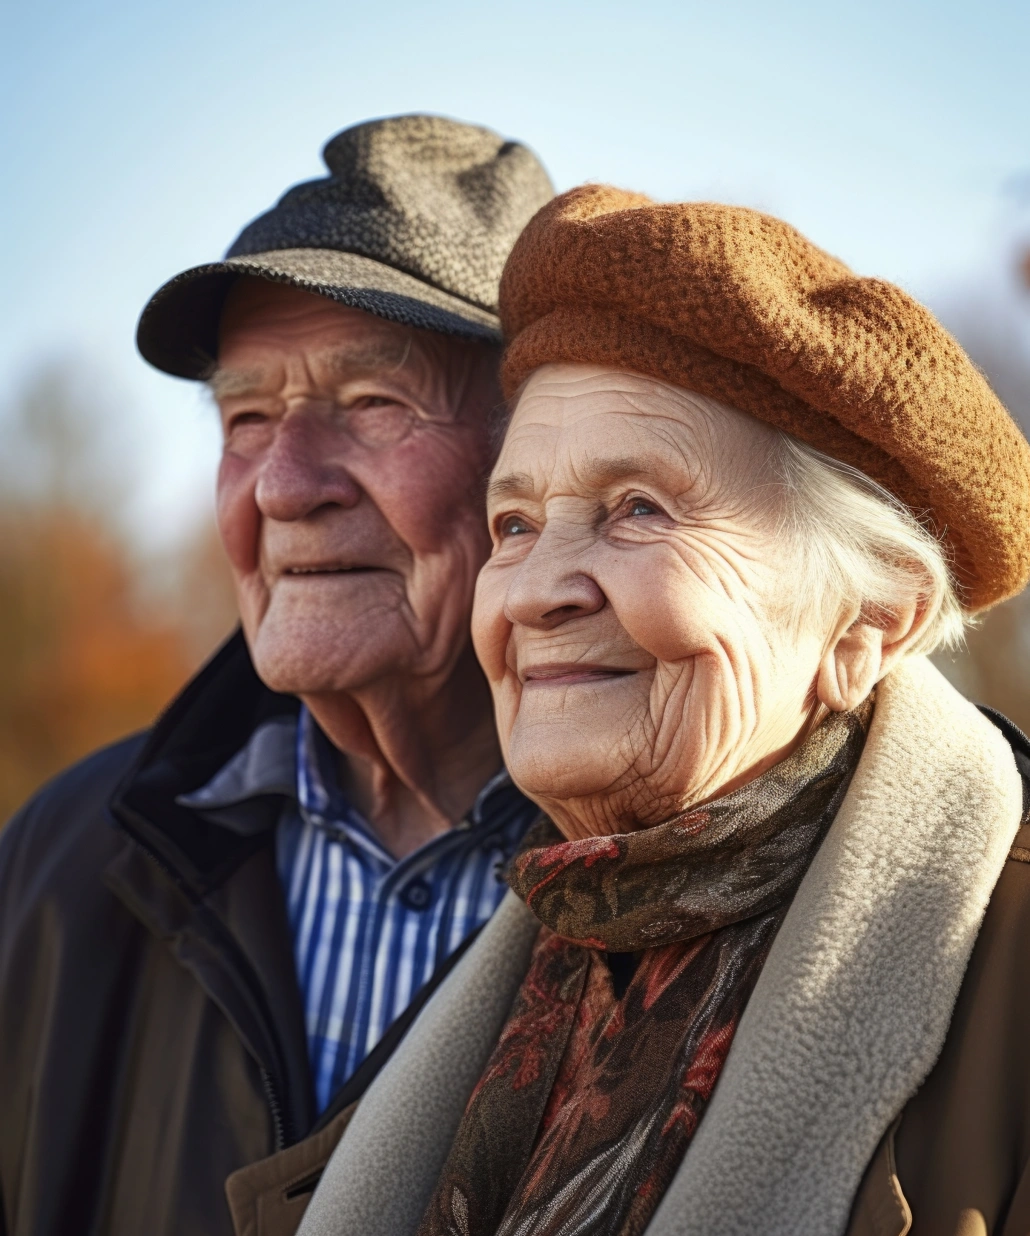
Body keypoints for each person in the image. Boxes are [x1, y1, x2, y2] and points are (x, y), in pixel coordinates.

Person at [299, 186, 1030, 1236]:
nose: (539, 589)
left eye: (638, 509)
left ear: (866, 621)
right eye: (513, 523)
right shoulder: (502, 978)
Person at [0, 114, 553, 1236]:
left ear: (535, 463)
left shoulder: (679, 876)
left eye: (372, 405)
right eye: (245, 418)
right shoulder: (60, 860)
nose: (284, 486)